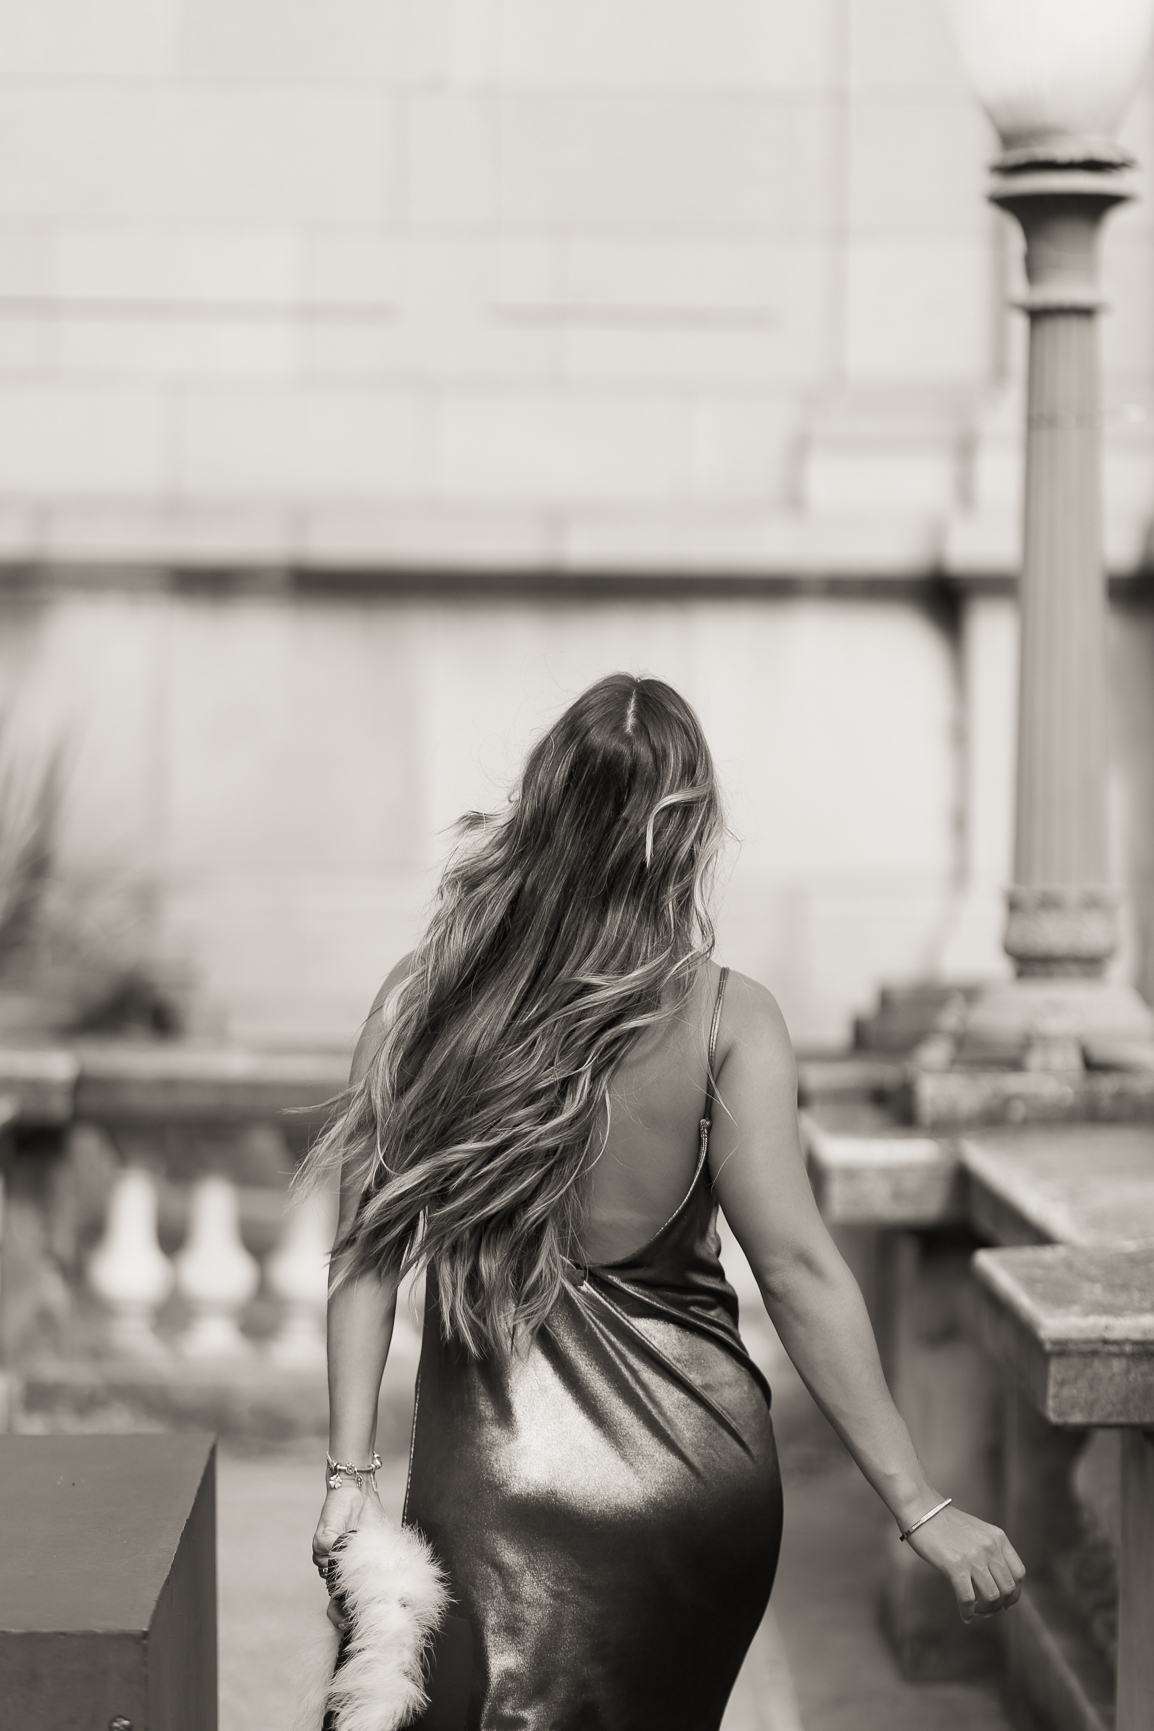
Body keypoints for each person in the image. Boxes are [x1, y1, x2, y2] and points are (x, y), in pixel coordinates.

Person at [309, 673, 1024, 1731]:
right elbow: (798, 1270)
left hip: (493, 1489)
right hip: (692, 1484)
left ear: (541, 809)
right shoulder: (731, 1018)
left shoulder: (429, 999)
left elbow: (366, 1255)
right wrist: (918, 1505)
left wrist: (348, 1470)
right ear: (687, 833)